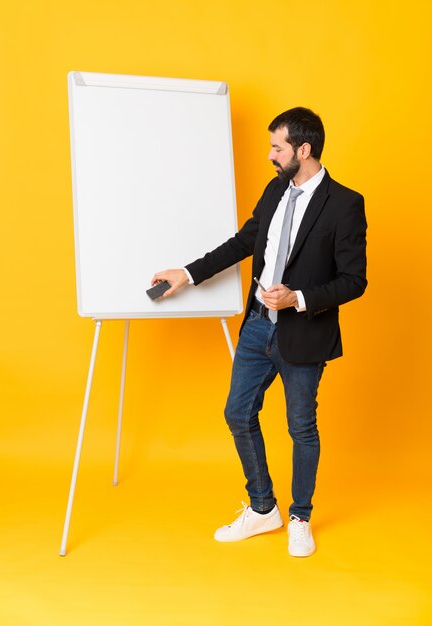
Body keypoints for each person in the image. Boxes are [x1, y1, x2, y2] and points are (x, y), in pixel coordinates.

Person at [151, 107, 367, 557]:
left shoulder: (345, 204)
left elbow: (354, 280)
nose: (270, 155)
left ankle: (300, 517)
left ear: (303, 150)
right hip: (256, 327)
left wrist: (298, 298)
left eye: (277, 147)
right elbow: (244, 242)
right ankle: (262, 507)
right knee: (237, 414)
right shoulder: (274, 190)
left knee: (301, 427)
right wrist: (187, 274)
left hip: (303, 332)